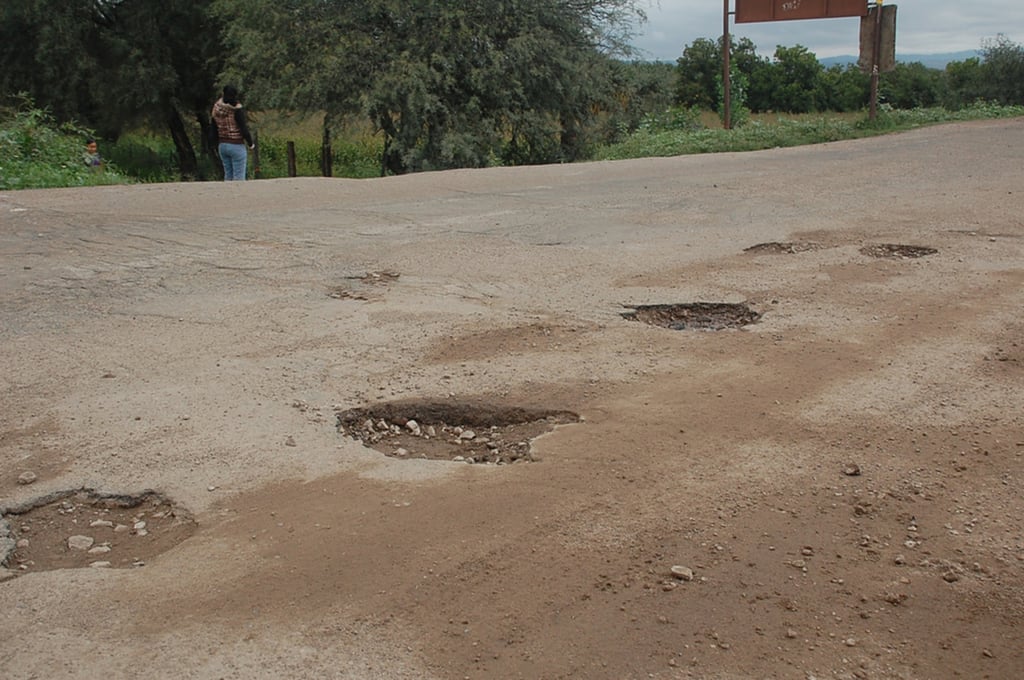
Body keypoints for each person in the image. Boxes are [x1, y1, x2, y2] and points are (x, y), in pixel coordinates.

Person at [211, 85, 255, 181]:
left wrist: (214, 144)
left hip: (222, 145)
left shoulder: (216, 108)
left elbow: (213, 128)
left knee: (228, 175)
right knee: (239, 177)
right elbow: (244, 129)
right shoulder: (236, 110)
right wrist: (250, 144)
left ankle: (228, 195)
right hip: (236, 145)